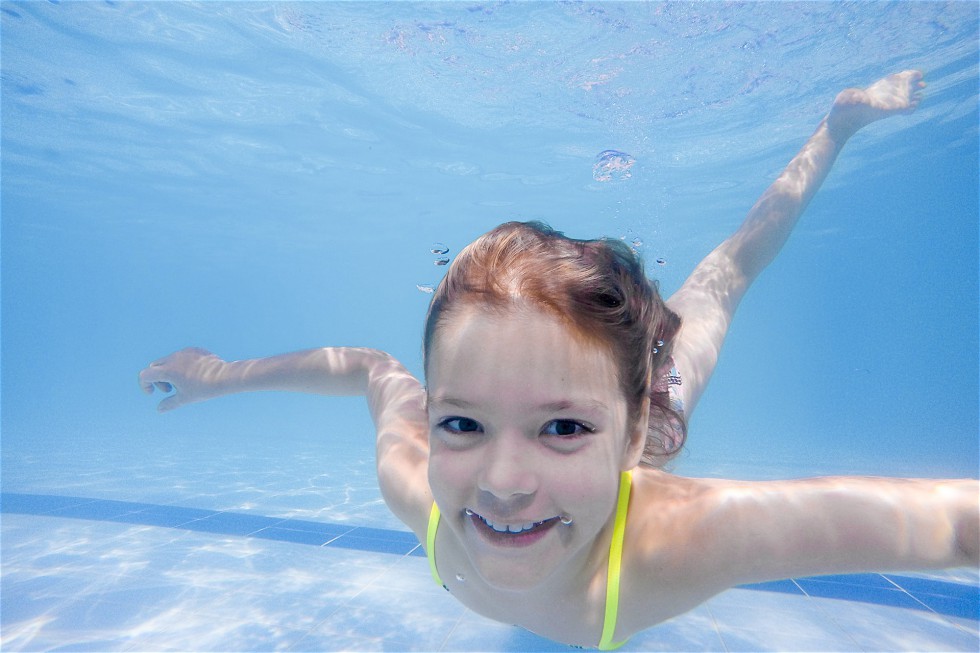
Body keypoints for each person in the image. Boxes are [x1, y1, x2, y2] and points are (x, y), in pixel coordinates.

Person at [139, 71, 978, 650]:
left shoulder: (679, 544)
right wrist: (218, 375)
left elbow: (949, 519)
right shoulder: (420, 487)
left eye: (563, 428)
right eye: (461, 421)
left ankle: (835, 125)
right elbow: (368, 369)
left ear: (632, 432)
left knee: (719, 284)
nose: (503, 482)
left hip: (644, 404)